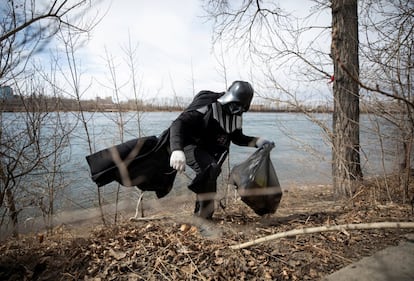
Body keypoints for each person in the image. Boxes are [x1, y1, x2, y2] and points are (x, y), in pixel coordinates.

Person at [169, 80, 273, 219]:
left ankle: (200, 217)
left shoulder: (236, 115)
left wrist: (257, 142)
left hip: (209, 152)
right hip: (188, 145)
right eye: (234, 106)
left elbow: (237, 138)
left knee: (209, 176)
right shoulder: (207, 105)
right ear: (228, 98)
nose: (235, 111)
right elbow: (178, 124)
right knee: (210, 169)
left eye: (240, 108)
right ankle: (204, 218)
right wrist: (177, 149)